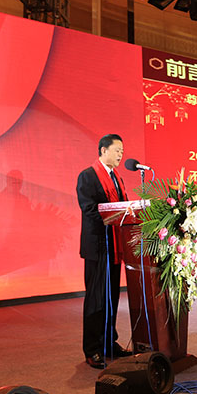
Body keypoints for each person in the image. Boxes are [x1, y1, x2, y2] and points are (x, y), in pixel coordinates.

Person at [76, 133, 132, 369]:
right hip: (98, 247)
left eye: (122, 151)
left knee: (111, 297)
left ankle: (109, 343)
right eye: (117, 150)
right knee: (96, 299)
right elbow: (88, 209)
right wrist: (114, 215)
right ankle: (92, 349)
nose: (121, 155)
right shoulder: (88, 176)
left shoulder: (117, 178)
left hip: (115, 245)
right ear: (103, 150)